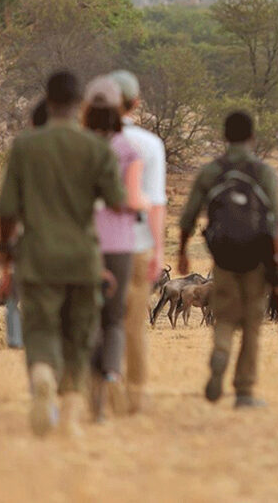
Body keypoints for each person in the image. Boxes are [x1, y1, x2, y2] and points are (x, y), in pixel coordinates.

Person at [0, 71, 125, 437]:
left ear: (48, 101)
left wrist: (6, 254)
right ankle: (69, 413)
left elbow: (6, 210)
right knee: (80, 334)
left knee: (41, 328)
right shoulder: (96, 148)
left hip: (37, 258)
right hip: (83, 259)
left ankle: (41, 374)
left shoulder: (25, 146)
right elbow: (116, 203)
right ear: (79, 104)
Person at [177, 111, 278, 409]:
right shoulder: (263, 173)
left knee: (224, 317)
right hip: (257, 262)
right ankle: (244, 391)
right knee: (252, 323)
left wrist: (182, 253)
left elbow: (188, 217)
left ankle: (221, 352)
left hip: (223, 260)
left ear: (224, 137)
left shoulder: (212, 171)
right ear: (252, 137)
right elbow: (276, 223)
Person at [82, 76, 146, 420]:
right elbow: (132, 201)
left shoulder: (78, 146)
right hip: (120, 244)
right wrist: (140, 206)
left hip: (84, 243)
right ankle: (111, 373)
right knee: (115, 319)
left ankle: (93, 396)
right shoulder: (129, 149)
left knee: (89, 316)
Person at [108, 70, 167, 414]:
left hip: (96, 246)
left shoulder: (88, 140)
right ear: (136, 103)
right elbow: (156, 203)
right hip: (138, 244)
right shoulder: (149, 144)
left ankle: (100, 393)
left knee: (100, 322)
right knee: (133, 326)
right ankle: (135, 396)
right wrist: (158, 251)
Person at [4, 98, 51, 351]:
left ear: (32, 123)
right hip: (75, 248)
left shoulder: (23, 152)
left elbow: (8, 210)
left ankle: (20, 342)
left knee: (16, 302)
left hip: (32, 245)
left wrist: (5, 259)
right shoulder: (87, 148)